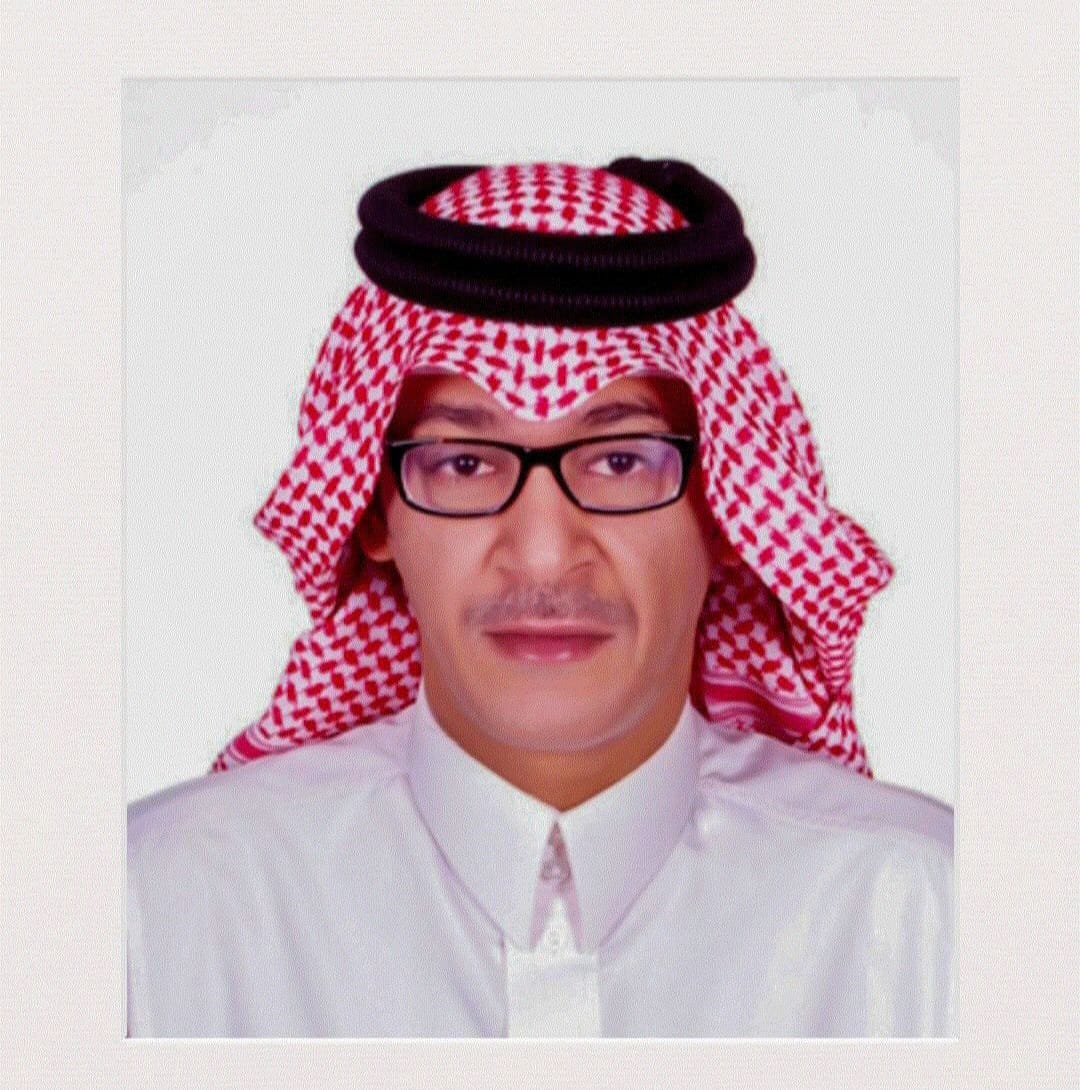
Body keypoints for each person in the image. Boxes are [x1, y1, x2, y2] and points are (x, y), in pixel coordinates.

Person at [126, 158, 953, 1037]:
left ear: (725, 512)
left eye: (621, 460)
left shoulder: (928, 917)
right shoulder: (156, 915)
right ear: (374, 510)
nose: (546, 554)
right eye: (464, 463)